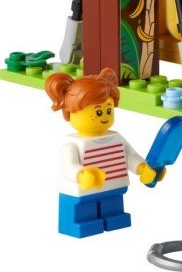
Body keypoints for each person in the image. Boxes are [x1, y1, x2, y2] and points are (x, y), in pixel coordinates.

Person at [45, 68, 158, 237]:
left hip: (113, 186)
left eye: (108, 110)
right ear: (71, 113)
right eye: (98, 112)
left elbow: (129, 156)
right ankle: (82, 222)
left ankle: (113, 217)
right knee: (84, 210)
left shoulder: (116, 138)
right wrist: (82, 174)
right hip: (84, 191)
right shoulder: (73, 144)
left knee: (113, 206)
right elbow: (68, 167)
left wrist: (141, 167)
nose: (104, 116)